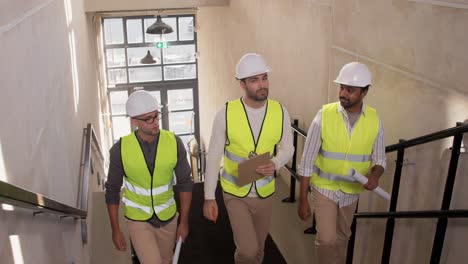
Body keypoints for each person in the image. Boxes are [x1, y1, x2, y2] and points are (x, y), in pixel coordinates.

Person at [203, 53, 294, 264]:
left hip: (265, 192)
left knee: (259, 250)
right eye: (254, 80)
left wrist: (276, 163)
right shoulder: (225, 113)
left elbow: (287, 148)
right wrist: (209, 197)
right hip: (235, 190)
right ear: (242, 84)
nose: (262, 85)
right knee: (248, 250)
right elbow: (214, 155)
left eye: (264, 78)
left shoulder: (280, 112)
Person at [297, 62, 386, 264]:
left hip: (352, 191)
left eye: (350, 90)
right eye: (341, 87)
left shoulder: (374, 120)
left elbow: (380, 158)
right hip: (324, 188)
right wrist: (302, 198)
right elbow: (307, 160)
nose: (343, 93)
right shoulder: (324, 115)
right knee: (327, 240)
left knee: (342, 238)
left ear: (364, 92)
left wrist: (375, 175)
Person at [105, 90, 193, 264]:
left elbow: (185, 183)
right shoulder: (120, 150)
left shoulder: (174, 142)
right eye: (148, 119)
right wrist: (115, 229)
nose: (155, 123)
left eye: (156, 116)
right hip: (138, 220)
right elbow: (112, 191)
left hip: (168, 218)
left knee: (166, 260)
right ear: (135, 121)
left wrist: (184, 222)